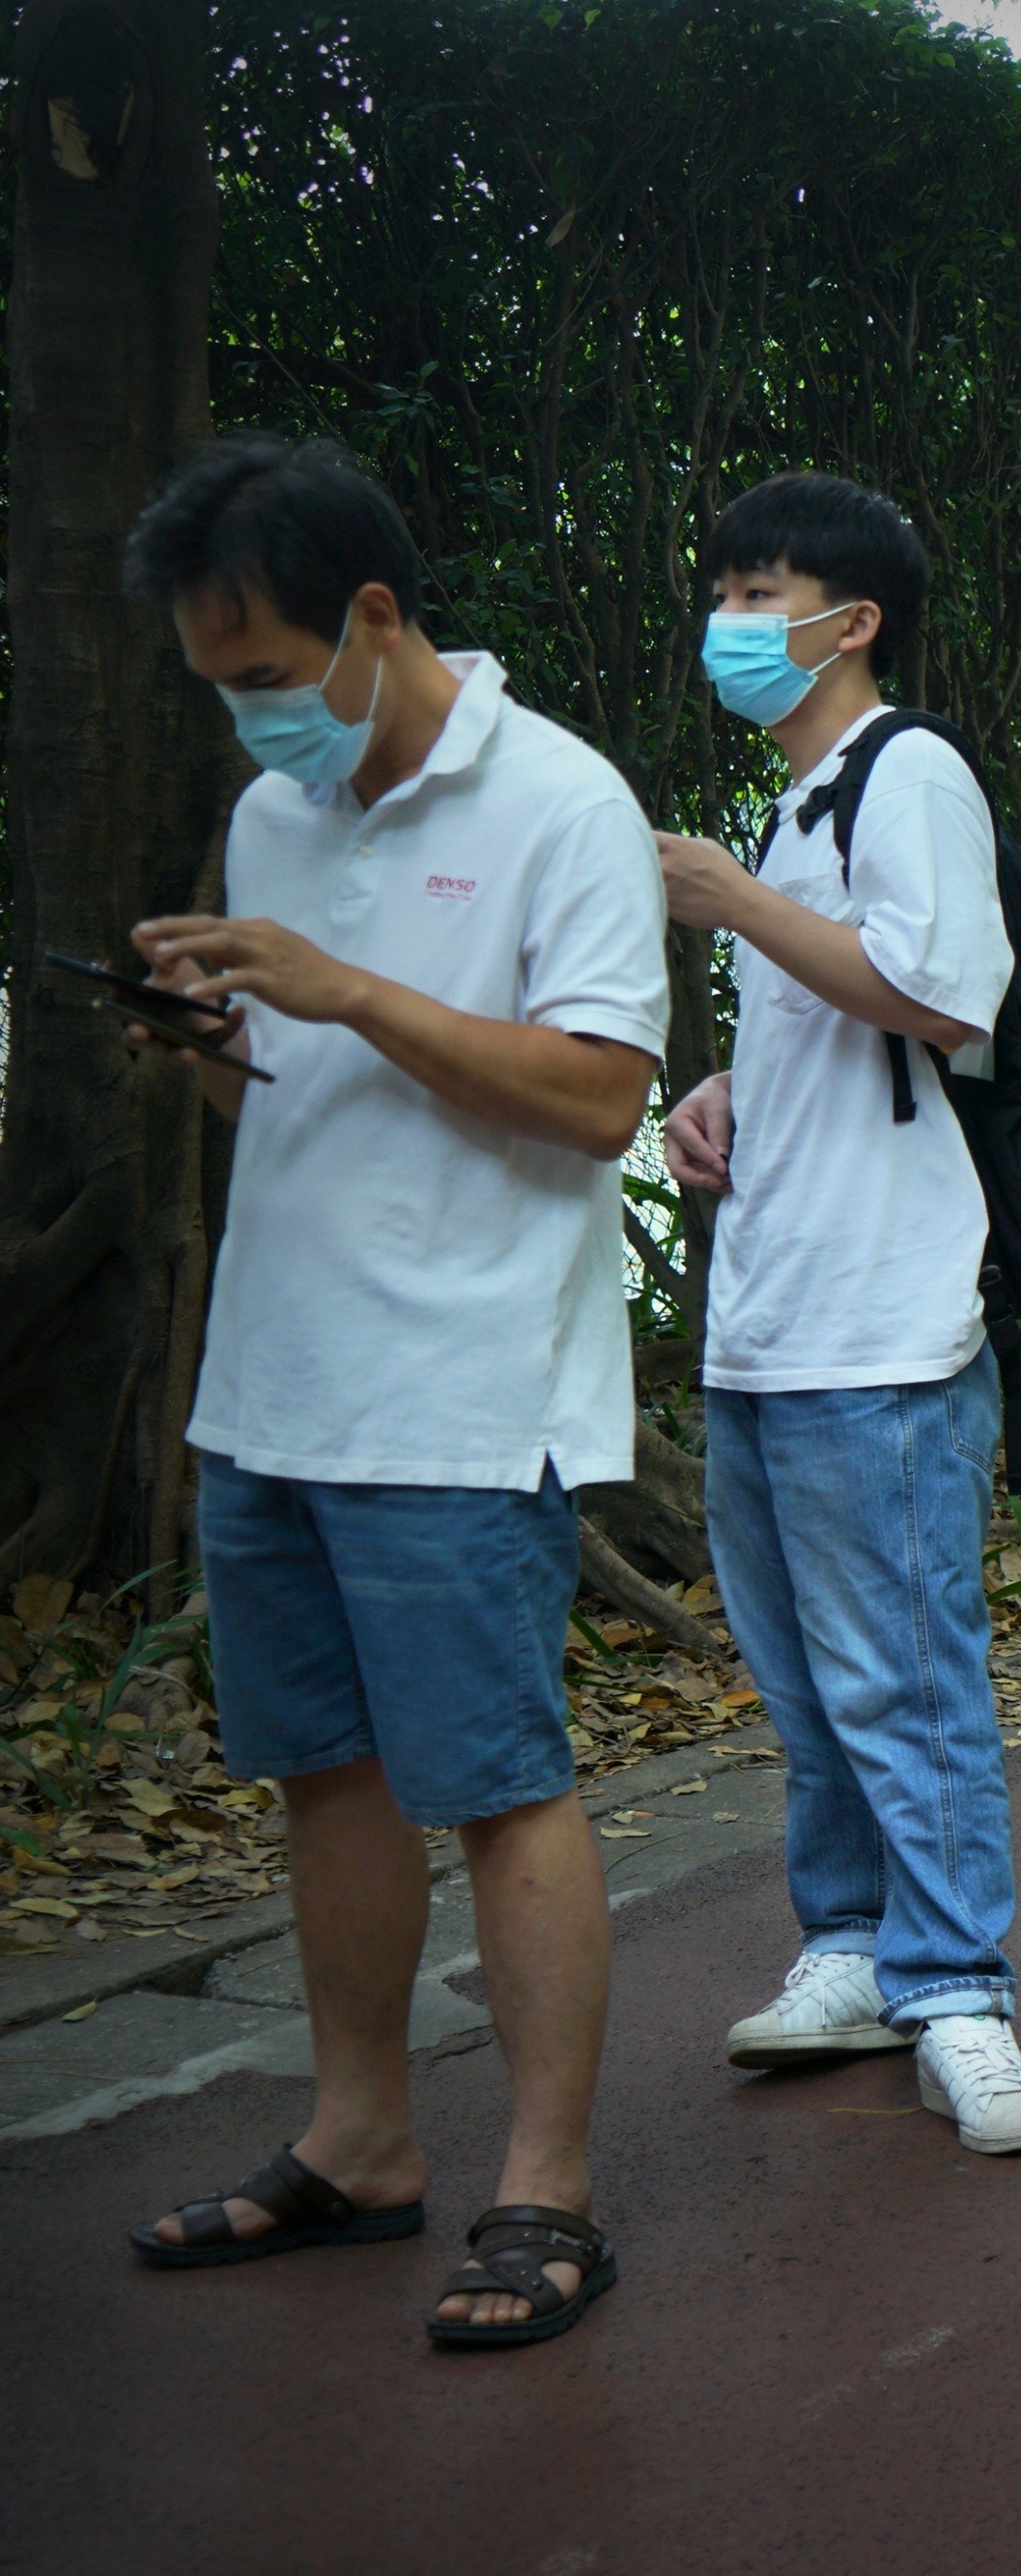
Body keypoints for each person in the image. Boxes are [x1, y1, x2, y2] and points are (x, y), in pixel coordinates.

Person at [117, 434, 666, 2343]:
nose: (248, 722)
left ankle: (548, 2188)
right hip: (277, 1379)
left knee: (501, 1787)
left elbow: (602, 1097)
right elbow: (288, 1091)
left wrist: (348, 988)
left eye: (263, 676)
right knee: (321, 1777)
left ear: (372, 616)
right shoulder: (280, 819)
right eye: (216, 688)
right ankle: (359, 2140)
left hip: (460, 1386)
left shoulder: (564, 806)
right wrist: (211, 1041)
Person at [648, 472, 1021, 2152]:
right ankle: (847, 1945)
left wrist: (738, 910)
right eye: (727, 589)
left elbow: (949, 994)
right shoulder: (800, 802)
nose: (733, 620)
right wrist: (727, 1086)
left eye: (762, 591)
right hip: (771, 1308)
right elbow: (851, 1016)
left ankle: (958, 1989)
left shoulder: (911, 772)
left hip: (881, 1325)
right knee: (810, 1684)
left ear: (849, 619)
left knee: (906, 1679)